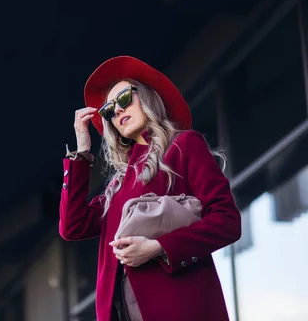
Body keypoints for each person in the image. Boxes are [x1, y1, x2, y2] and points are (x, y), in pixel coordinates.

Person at [59, 56, 242, 321]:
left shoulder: (184, 147)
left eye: (123, 99)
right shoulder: (117, 187)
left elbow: (227, 221)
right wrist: (82, 152)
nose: (118, 111)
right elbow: (71, 227)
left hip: (181, 309)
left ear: (145, 98)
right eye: (109, 110)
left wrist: (158, 247)